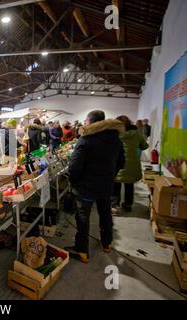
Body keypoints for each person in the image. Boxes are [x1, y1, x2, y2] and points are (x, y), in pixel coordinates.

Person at [65, 110, 125, 263]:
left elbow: (74, 167)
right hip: (106, 186)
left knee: (83, 218)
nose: (84, 123)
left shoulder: (86, 140)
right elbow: (121, 163)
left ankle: (82, 250)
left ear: (91, 122)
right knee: (105, 214)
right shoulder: (116, 139)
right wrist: (109, 175)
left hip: (86, 187)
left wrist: (75, 182)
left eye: (85, 121)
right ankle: (107, 243)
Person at [112, 115, 149, 213]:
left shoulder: (114, 134)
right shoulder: (136, 133)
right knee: (129, 185)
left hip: (117, 163)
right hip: (132, 164)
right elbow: (144, 146)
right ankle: (128, 205)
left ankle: (115, 206)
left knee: (116, 185)